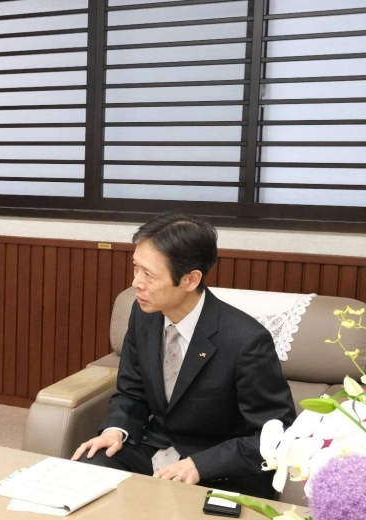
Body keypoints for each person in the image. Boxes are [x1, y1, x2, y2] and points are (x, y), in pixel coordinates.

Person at [72, 213, 294, 498]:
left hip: (218, 467)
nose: (136, 282)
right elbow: (131, 393)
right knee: (90, 469)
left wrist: (199, 465)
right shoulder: (143, 315)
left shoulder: (246, 341)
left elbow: (274, 434)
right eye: (135, 268)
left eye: (149, 274)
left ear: (191, 280)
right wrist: (116, 430)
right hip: (156, 447)